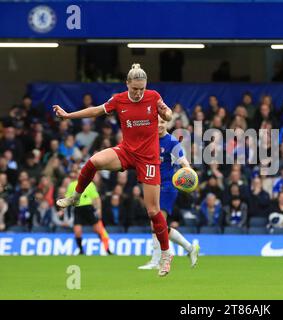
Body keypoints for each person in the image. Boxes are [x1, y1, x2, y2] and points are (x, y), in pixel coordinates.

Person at [53, 63, 174, 277]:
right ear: (127, 84)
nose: (138, 93)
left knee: (153, 211)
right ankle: (76, 196)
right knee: (93, 161)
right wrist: (69, 115)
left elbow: (167, 112)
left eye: (141, 89)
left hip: (148, 158)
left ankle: (166, 254)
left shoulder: (153, 96)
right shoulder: (119, 99)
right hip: (127, 151)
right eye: (134, 88)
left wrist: (167, 112)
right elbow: (96, 111)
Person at [138, 116, 200, 270]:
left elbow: (183, 161)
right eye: (157, 122)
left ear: (167, 123)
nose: (159, 124)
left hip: (167, 187)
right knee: (161, 225)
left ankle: (156, 260)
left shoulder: (172, 142)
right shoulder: (149, 140)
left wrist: (189, 173)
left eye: (162, 122)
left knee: (156, 223)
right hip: (153, 185)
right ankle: (190, 248)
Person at [65, 172, 112, 255]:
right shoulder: (72, 185)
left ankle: (107, 249)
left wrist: (99, 209)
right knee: (77, 231)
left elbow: (96, 198)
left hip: (89, 208)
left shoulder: (90, 184)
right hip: (78, 209)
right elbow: (68, 197)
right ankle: (81, 250)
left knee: (98, 230)